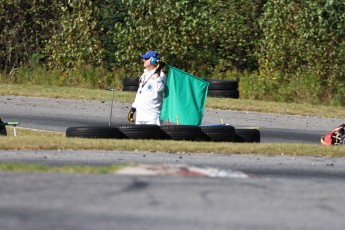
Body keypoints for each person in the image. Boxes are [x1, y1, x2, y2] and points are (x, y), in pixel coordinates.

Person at [128, 50, 166, 126]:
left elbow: (159, 89)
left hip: (152, 117)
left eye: (146, 59)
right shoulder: (144, 75)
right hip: (140, 116)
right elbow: (139, 93)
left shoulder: (161, 75)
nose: (143, 60)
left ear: (153, 60)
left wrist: (157, 71)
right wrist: (133, 109)